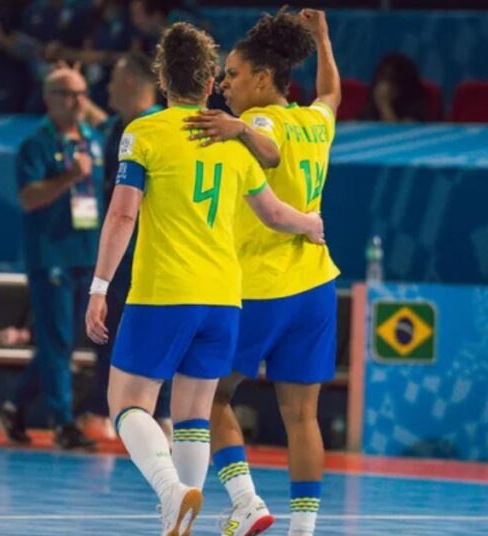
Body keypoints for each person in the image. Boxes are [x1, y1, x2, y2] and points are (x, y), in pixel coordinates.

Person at [84, 22, 324, 535]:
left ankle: (172, 492)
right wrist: (311, 223)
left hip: (164, 293)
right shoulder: (233, 141)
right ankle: (181, 525)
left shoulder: (144, 133)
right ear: (212, 78)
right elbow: (274, 212)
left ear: (162, 77)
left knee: (127, 404)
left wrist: (100, 287)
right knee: (192, 416)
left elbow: (123, 216)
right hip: (224, 300)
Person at [183, 9, 341, 536]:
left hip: (262, 287)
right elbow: (332, 93)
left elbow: (269, 153)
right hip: (316, 286)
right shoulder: (316, 121)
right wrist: (321, 37)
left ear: (264, 79)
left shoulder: (261, 122)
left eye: (231, 73)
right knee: (302, 417)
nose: (224, 83)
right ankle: (304, 529)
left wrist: (236, 130)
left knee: (206, 395)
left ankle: (246, 502)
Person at [0, 67, 103, 451]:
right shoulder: (36, 144)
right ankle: (61, 421)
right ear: (49, 97)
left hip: (86, 252)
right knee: (56, 341)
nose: (77, 101)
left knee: (63, 342)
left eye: (82, 93)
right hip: (51, 254)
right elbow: (28, 197)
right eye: (68, 94)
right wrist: (70, 176)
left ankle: (13, 407)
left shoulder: (93, 139)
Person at [75, 52, 172, 442]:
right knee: (109, 335)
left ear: (132, 82)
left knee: (151, 336)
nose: (108, 87)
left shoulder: (159, 129)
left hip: (148, 257)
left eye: (114, 78)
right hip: (120, 258)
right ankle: (115, 411)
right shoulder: (121, 127)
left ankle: (160, 416)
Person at [360, 52, 428, 122]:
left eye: (390, 80)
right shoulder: (371, 109)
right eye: (381, 79)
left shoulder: (415, 110)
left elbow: (399, 132)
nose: (383, 87)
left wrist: (384, 106)